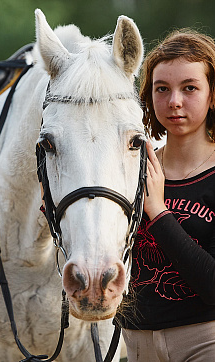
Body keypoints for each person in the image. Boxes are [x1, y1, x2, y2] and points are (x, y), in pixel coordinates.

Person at [117, 29, 215, 361]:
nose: (174, 101)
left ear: (212, 94)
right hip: (134, 343)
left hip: (205, 341)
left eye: (190, 88)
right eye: (162, 89)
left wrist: (157, 211)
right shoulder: (133, 170)